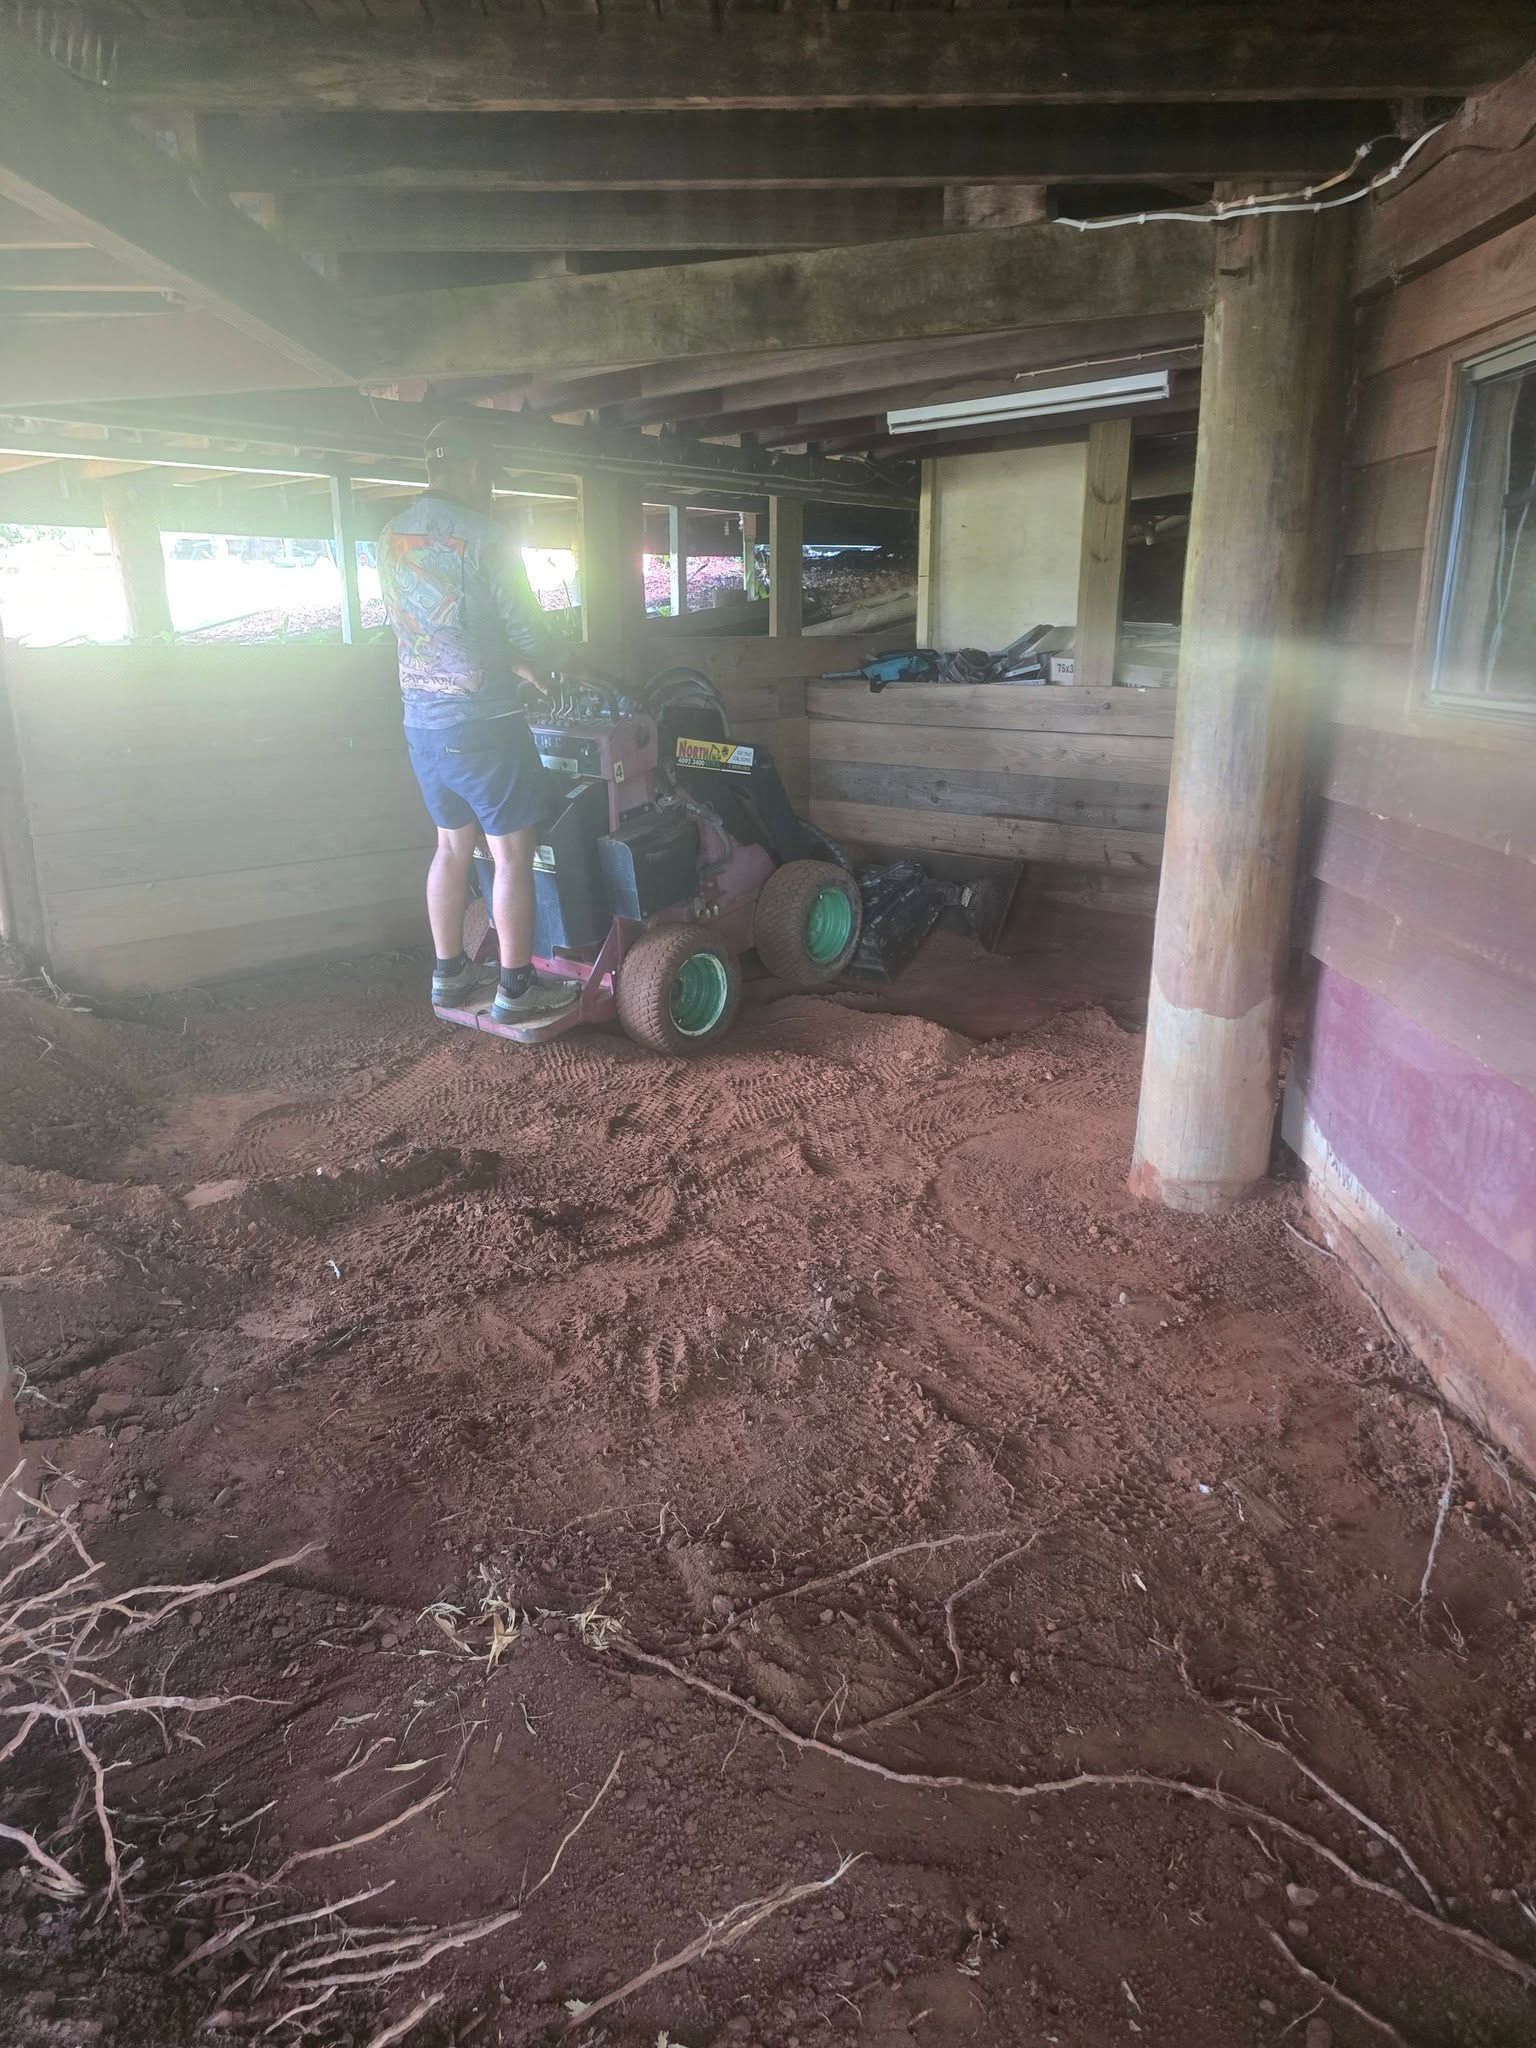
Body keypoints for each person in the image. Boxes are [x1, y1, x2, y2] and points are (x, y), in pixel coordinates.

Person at [379, 418, 578, 1024]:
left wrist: (505, 660)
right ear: (469, 469)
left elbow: (434, 629)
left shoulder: (389, 535)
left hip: (421, 721)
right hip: (484, 723)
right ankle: (518, 988)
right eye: (486, 474)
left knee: (448, 846)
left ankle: (450, 974)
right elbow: (523, 626)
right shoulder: (486, 536)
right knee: (514, 855)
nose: (487, 486)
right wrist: (544, 663)